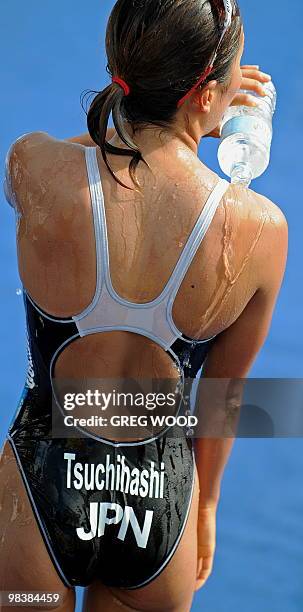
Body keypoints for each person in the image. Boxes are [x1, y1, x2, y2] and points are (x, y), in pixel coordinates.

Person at [0, 1, 288, 611]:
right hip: (160, 503)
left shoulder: (33, 166)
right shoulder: (262, 230)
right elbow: (225, 396)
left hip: (38, 488)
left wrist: (154, 108)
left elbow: (94, 156)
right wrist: (206, 507)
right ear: (210, 97)